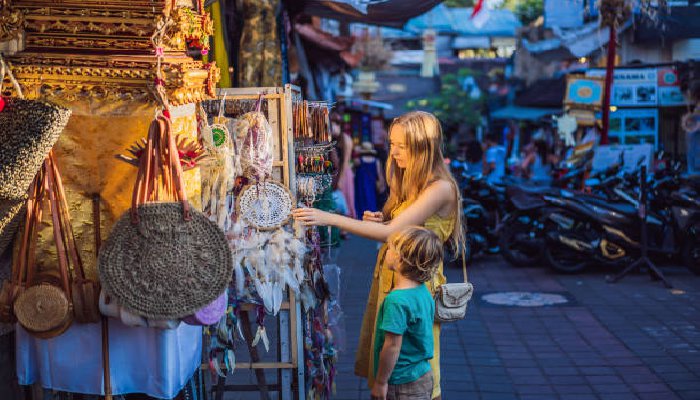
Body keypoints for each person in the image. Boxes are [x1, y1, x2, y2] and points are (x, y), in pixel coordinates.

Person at [292, 111, 464, 400]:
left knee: (409, 360)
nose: (392, 152)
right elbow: (397, 228)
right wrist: (380, 220)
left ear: (423, 147)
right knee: (389, 350)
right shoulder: (410, 181)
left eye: (401, 146)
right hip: (394, 279)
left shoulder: (440, 188)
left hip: (415, 285)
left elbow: (393, 233)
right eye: (392, 143)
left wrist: (329, 217)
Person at [371, 226, 442, 400]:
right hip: (422, 374)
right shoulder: (423, 291)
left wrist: (380, 382)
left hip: (401, 383)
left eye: (390, 248)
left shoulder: (396, 301)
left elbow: (392, 346)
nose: (386, 251)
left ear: (399, 258)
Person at [332, 112, 357, 219]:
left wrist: (341, 178)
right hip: (339, 171)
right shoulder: (336, 138)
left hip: (345, 172)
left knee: (346, 197)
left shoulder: (345, 139)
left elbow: (346, 160)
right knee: (341, 198)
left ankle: (346, 226)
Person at [355, 142, 386, 218]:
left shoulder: (358, 161)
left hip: (360, 187)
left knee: (361, 205)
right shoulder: (377, 161)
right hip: (371, 187)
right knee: (371, 204)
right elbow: (380, 176)